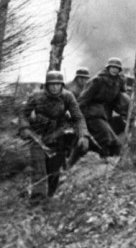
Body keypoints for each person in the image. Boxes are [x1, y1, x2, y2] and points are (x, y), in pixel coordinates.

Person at [18, 71, 89, 203]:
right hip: (38, 135)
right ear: (47, 85)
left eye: (58, 84)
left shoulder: (68, 96)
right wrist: (25, 127)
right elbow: (23, 113)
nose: (55, 87)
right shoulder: (36, 96)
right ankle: (37, 200)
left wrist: (83, 135)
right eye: (52, 84)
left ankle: (49, 197)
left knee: (54, 172)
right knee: (38, 168)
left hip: (58, 136)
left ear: (62, 85)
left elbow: (78, 117)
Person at [77, 57, 130, 157]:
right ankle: (105, 159)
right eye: (112, 67)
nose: (114, 69)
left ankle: (106, 158)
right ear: (108, 68)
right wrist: (77, 115)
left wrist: (124, 112)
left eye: (117, 68)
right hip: (93, 111)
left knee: (112, 138)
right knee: (108, 139)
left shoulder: (119, 81)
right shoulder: (97, 80)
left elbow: (122, 96)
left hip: (107, 111)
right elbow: (83, 99)